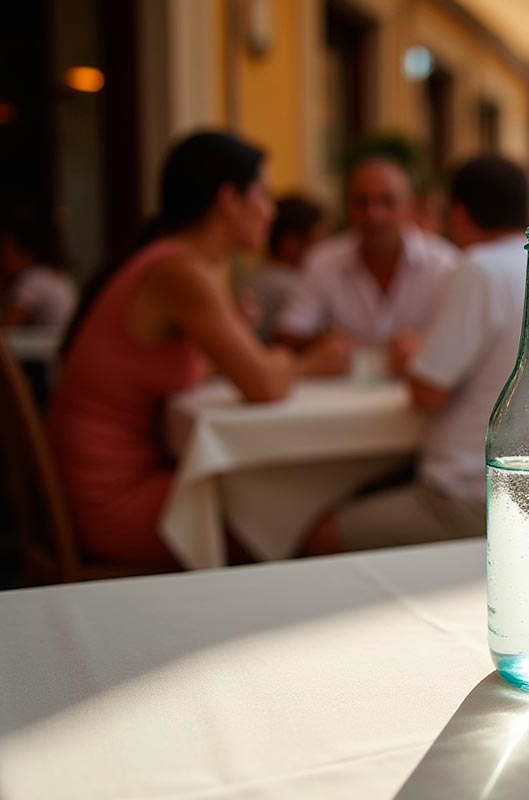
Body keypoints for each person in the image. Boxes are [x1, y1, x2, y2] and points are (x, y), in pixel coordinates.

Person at [48, 131, 350, 566]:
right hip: (114, 503)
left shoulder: (167, 262)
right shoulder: (180, 272)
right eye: (262, 194)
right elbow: (264, 386)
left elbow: (194, 370)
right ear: (229, 200)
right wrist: (309, 362)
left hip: (103, 486)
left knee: (272, 505)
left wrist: (236, 347)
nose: (270, 210)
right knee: (295, 524)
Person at [303, 155, 529, 554]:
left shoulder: (478, 268)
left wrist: (412, 359)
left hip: (473, 493)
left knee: (317, 533)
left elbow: (427, 394)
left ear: (458, 214)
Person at [277, 156, 458, 346]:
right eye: (362, 202)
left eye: (387, 202)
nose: (373, 215)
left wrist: (424, 347)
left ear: (410, 206)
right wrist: (322, 344)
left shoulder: (444, 265)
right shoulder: (322, 262)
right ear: (347, 207)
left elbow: (464, 342)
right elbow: (289, 334)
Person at [244, 194, 328, 342]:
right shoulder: (288, 286)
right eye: (319, 241)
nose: (327, 250)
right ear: (290, 243)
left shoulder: (262, 276)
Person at [0, 211, 77, 330]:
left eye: (5, 253)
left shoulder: (33, 279)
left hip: (57, 346)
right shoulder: (53, 274)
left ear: (25, 253)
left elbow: (6, 329)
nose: (1, 260)